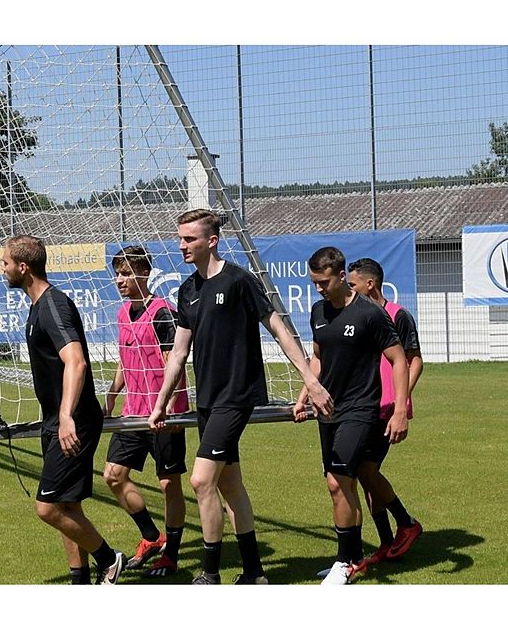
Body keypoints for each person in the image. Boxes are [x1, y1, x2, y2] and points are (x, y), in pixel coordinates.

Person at [148, 209, 333, 585]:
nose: (181, 245)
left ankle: (210, 573)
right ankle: (253, 572)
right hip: (208, 399)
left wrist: (309, 380)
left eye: (189, 239)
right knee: (230, 485)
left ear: (211, 241)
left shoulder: (238, 281)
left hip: (237, 396)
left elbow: (278, 328)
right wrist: (161, 400)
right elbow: (180, 352)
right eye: (180, 238)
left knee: (201, 481)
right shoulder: (187, 290)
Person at [1, 234, 125, 585]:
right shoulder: (36, 305)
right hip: (57, 420)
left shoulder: (54, 305)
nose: (2, 270)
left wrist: (67, 416)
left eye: (6, 264)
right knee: (67, 506)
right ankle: (80, 580)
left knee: (48, 507)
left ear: (24, 268)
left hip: (75, 421)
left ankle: (109, 558)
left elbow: (76, 361)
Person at [293, 247, 410, 585]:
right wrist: (304, 395)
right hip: (327, 410)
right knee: (340, 482)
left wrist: (400, 409)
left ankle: (345, 561)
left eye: (324, 282)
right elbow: (318, 358)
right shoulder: (317, 311)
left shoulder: (369, 313)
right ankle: (354, 557)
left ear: (342, 276)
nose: (318, 289)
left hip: (360, 409)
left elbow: (399, 360)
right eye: (314, 282)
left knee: (338, 480)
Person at [102, 246, 189, 578]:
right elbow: (126, 361)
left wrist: (164, 405)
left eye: (126, 273)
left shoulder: (163, 312)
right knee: (113, 475)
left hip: (164, 415)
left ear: (143, 274)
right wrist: (111, 396)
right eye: (118, 274)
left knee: (169, 484)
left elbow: (174, 366)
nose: (120, 280)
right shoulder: (124, 313)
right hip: (132, 413)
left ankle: (172, 555)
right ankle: (152, 538)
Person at [347, 257, 424, 568]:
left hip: (386, 409)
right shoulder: (360, 316)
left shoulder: (397, 316)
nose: (348, 290)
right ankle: (386, 543)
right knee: (366, 476)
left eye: (352, 285)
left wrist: (401, 403)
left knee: (366, 471)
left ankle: (407, 523)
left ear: (370, 284)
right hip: (363, 405)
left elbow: (414, 360)